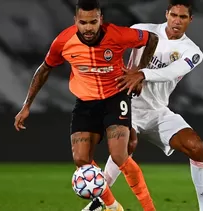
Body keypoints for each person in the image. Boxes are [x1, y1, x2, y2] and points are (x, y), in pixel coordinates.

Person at [13, 0, 159, 211]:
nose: (88, 27)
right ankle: (112, 206)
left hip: (115, 98)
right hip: (85, 103)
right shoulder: (64, 41)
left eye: (93, 22)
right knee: (82, 159)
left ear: (100, 19)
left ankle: (149, 209)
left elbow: (151, 39)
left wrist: (140, 72)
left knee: (119, 155)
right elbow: (44, 69)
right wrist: (26, 105)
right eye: (83, 22)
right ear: (76, 21)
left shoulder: (117, 34)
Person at [83, 0, 203, 211]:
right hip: (128, 104)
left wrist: (142, 74)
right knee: (127, 144)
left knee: (197, 147)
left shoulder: (193, 52)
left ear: (191, 20)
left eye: (183, 17)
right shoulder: (141, 31)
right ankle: (99, 203)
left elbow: (172, 72)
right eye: (173, 15)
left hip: (158, 111)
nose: (177, 21)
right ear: (166, 14)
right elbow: (111, 48)